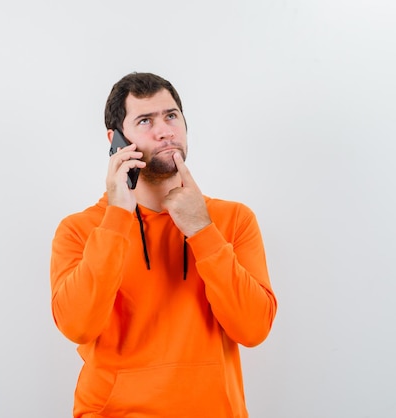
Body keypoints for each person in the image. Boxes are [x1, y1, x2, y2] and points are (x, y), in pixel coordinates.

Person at [50, 72, 277, 418]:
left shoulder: (233, 220)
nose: (165, 130)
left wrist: (202, 230)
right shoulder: (80, 230)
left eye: (171, 116)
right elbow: (77, 326)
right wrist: (117, 217)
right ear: (116, 140)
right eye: (145, 120)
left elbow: (253, 329)